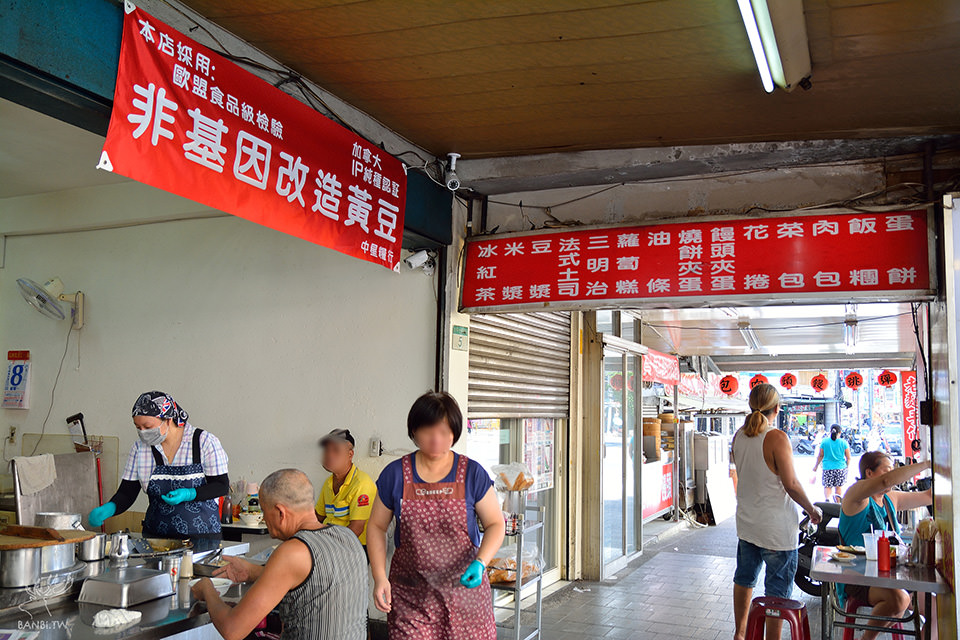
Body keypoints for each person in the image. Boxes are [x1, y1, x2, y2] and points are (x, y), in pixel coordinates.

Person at [367, 391, 505, 639]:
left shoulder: (471, 473)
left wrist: (481, 562)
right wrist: (379, 577)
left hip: (465, 596)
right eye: (428, 430)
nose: (436, 439)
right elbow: (376, 526)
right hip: (412, 597)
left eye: (444, 432)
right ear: (414, 431)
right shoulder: (395, 474)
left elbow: (495, 523)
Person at [192, 469, 368, 640]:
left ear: (280, 512)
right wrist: (253, 572)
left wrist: (207, 589)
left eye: (264, 512)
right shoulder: (348, 537)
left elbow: (232, 630)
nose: (264, 520)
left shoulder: (293, 551)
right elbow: (316, 580)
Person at [732, 383, 822, 640]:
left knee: (744, 578)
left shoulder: (738, 436)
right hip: (777, 532)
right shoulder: (777, 438)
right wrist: (812, 509)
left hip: (747, 525)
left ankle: (740, 633)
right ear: (777, 408)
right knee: (777, 590)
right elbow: (791, 484)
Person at [87, 391, 228, 540]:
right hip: (155, 539)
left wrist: (189, 493)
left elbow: (221, 485)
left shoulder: (204, 442)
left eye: (147, 426)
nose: (142, 432)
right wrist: (110, 508)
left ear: (167, 420)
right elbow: (127, 493)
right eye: (138, 427)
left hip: (202, 539)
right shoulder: (140, 448)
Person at [839, 453, 933, 640]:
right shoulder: (856, 495)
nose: (893, 476)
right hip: (858, 577)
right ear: (869, 472)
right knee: (899, 599)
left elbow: (929, 496)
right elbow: (887, 481)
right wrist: (929, 463)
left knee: (937, 608)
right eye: (887, 470)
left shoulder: (890, 499)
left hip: (891, 576)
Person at [314, 428, 377, 550]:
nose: (329, 455)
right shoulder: (328, 483)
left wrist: (326, 547)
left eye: (336, 450)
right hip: (328, 542)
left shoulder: (361, 483)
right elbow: (318, 517)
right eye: (326, 450)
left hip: (354, 547)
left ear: (350, 454)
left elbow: (356, 529)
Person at [813, 424, 852, 501]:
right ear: (840, 432)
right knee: (838, 487)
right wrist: (847, 467)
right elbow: (848, 458)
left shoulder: (824, 442)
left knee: (827, 486)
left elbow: (820, 455)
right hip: (840, 468)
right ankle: (837, 503)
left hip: (827, 468)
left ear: (830, 432)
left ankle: (827, 500)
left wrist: (816, 466)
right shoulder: (844, 443)